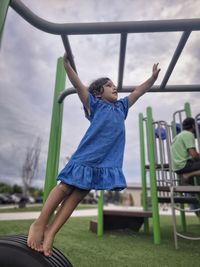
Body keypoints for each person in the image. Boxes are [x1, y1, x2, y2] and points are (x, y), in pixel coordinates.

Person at [27, 53, 160, 256]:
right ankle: (40, 223)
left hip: (105, 162)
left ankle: (52, 232)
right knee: (65, 188)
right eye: (109, 85)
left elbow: (138, 92)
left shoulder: (122, 107)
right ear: (98, 93)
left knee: (77, 196)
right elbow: (79, 84)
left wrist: (151, 79)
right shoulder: (95, 104)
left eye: (114, 85)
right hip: (87, 155)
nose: (115, 87)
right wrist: (68, 66)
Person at [170, 117, 200, 184]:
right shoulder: (188, 134)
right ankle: (188, 175)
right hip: (183, 165)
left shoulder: (177, 136)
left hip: (176, 167)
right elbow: (194, 155)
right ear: (193, 125)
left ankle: (188, 176)